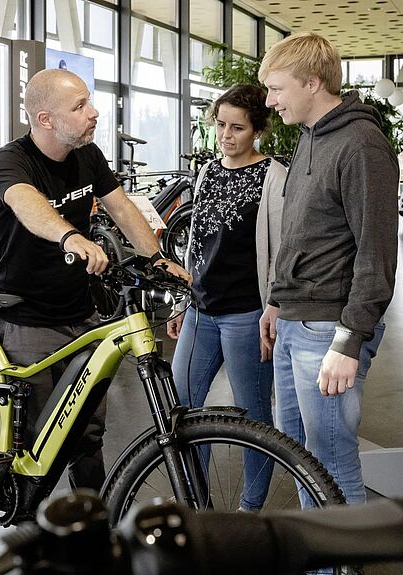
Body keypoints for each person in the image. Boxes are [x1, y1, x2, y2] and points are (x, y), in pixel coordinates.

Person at [0, 68, 189, 490]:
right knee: (36, 440)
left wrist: (157, 259)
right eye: (80, 106)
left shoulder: (89, 155)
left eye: (89, 101)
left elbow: (122, 208)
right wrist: (69, 235)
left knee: (87, 430)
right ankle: (27, 523)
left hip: (81, 313)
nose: (93, 112)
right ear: (45, 119)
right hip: (28, 319)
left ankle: (90, 516)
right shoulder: (11, 161)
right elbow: (26, 203)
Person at [258, 32, 398, 505]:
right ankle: (320, 546)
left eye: (277, 88)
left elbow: (377, 253)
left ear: (313, 82)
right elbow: (301, 232)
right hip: (294, 320)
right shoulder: (309, 137)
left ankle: (343, 549)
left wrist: (349, 339)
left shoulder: (361, 145)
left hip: (328, 330)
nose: (270, 101)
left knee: (333, 466)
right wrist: (277, 301)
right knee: (300, 458)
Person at [166, 84, 287, 512]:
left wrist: (274, 310)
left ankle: (250, 509)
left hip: (247, 315)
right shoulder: (207, 173)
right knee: (183, 410)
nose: (225, 135)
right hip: (200, 311)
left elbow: (281, 251)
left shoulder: (274, 176)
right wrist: (183, 301)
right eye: (220, 125)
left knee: (253, 416)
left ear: (258, 130)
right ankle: (196, 503)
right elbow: (197, 245)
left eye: (237, 127)